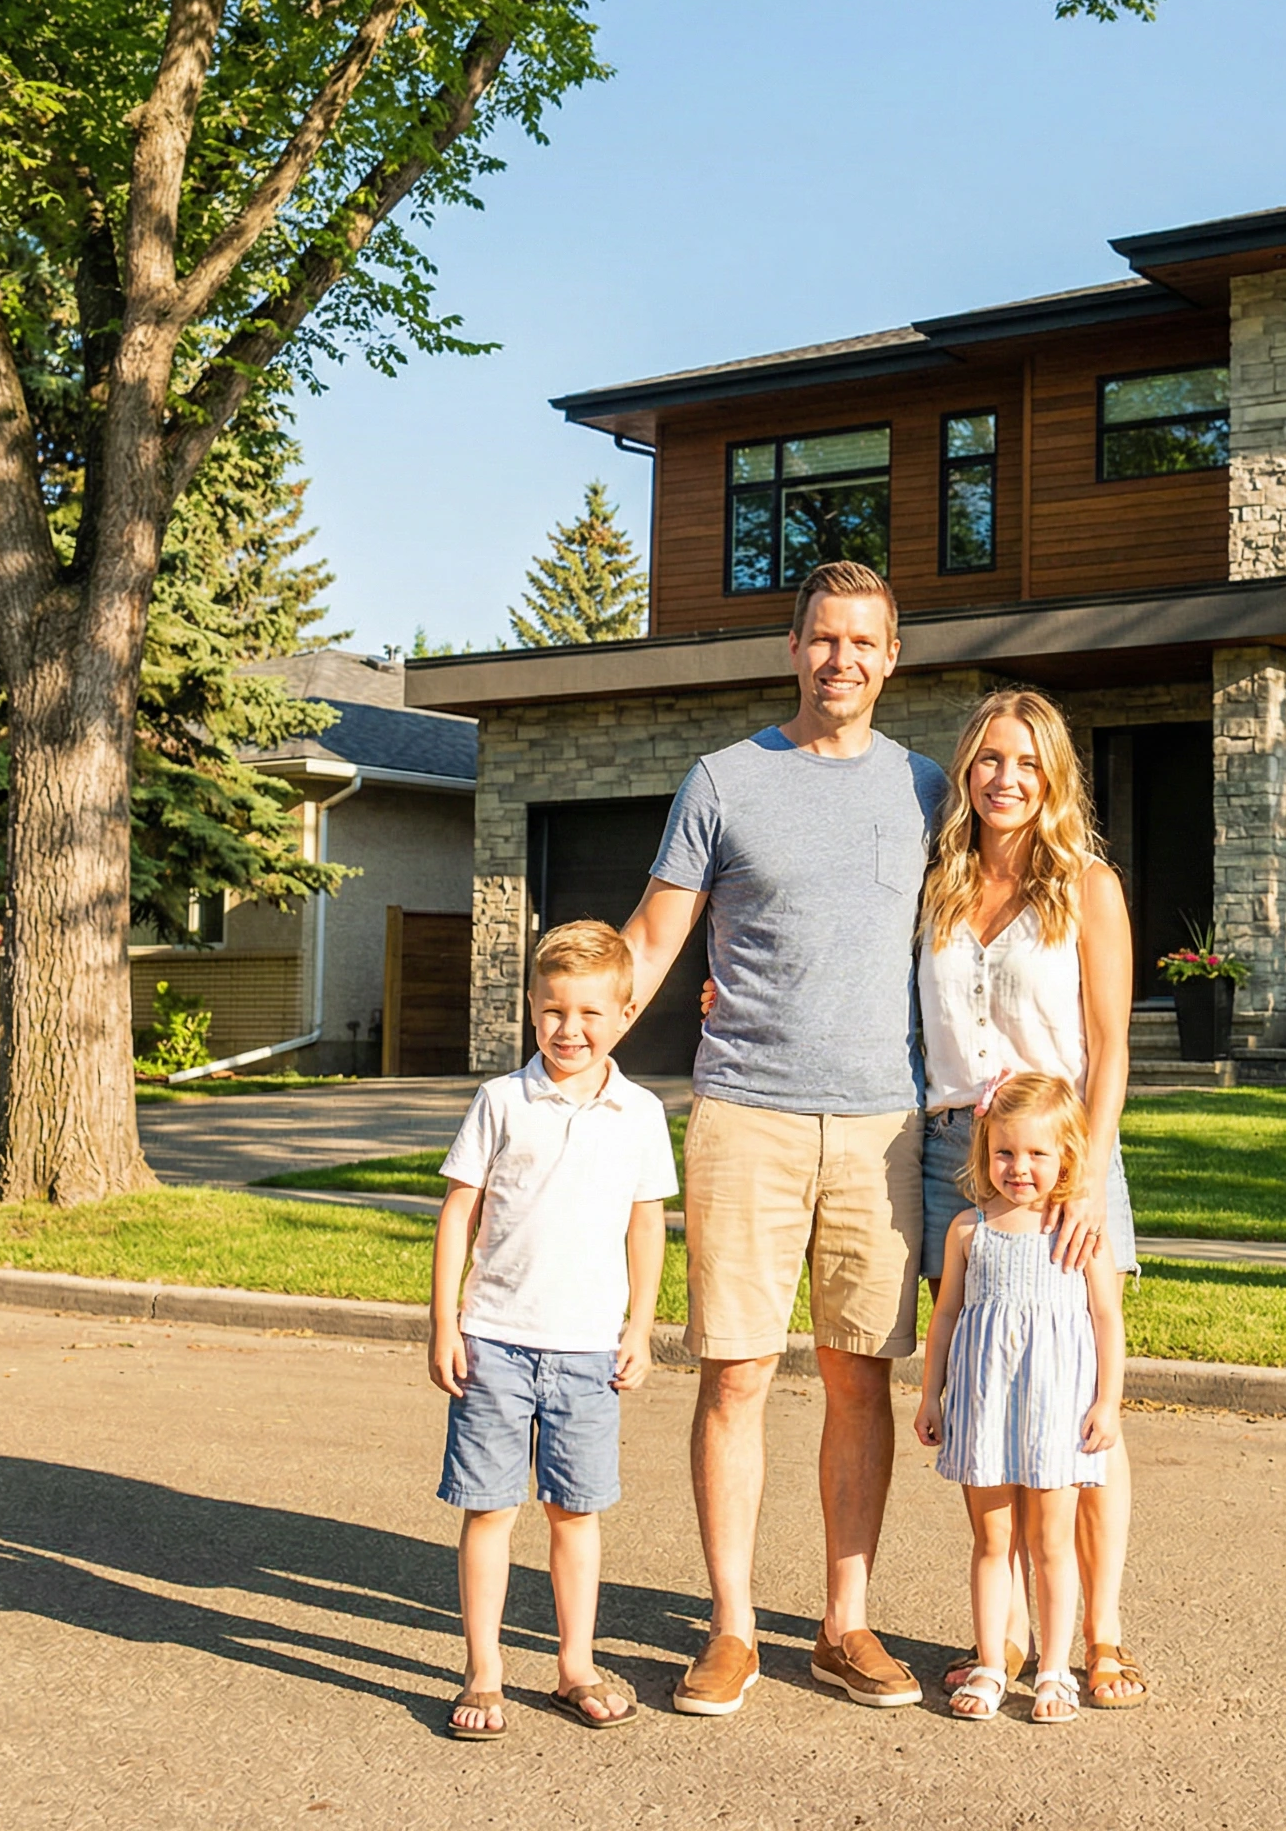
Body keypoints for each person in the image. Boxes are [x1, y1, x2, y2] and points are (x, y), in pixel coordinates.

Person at [622, 560, 949, 1718]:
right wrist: (567, 1053)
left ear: (890, 655)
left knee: (860, 1376)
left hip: (881, 1123)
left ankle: (843, 1622)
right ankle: (730, 1626)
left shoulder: (926, 787)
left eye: (864, 641)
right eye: (823, 638)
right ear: (793, 646)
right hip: (744, 1113)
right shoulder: (721, 779)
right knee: (737, 1371)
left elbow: (981, 924)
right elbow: (654, 939)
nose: (842, 658)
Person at [918, 687, 1150, 1708]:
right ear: (963, 773)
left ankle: (1097, 1632)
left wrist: (1089, 1179)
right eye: (984, 761)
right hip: (950, 1160)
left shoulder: (1085, 886)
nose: (1002, 779)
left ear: (1051, 774)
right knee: (988, 1383)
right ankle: (1003, 1638)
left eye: (1023, 761)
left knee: (1075, 1405)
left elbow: (1110, 1047)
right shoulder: (936, 887)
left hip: (1062, 1167)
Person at [428, 919, 676, 1739]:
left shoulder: (638, 1113)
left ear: (624, 1011)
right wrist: (445, 1322)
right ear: (531, 1010)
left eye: (589, 1014)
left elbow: (648, 1225)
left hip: (587, 1351)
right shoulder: (502, 1101)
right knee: (490, 1509)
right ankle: (485, 1671)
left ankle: (575, 1664)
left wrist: (640, 1326)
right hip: (495, 1338)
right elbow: (458, 1210)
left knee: (576, 1512)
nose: (569, 1030)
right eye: (552, 1012)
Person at [915, 1073, 1125, 1724]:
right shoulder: (968, 1232)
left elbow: (1106, 1320)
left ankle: (1056, 1671)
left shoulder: (1078, 1232)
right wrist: (931, 1395)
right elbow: (946, 1314)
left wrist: (1107, 1402)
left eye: (1037, 1154)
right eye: (1006, 1152)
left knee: (1052, 1544)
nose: (1020, 1168)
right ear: (985, 1151)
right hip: (985, 1408)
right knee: (991, 1540)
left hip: (1056, 1411)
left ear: (1068, 1155)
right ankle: (989, 1660)